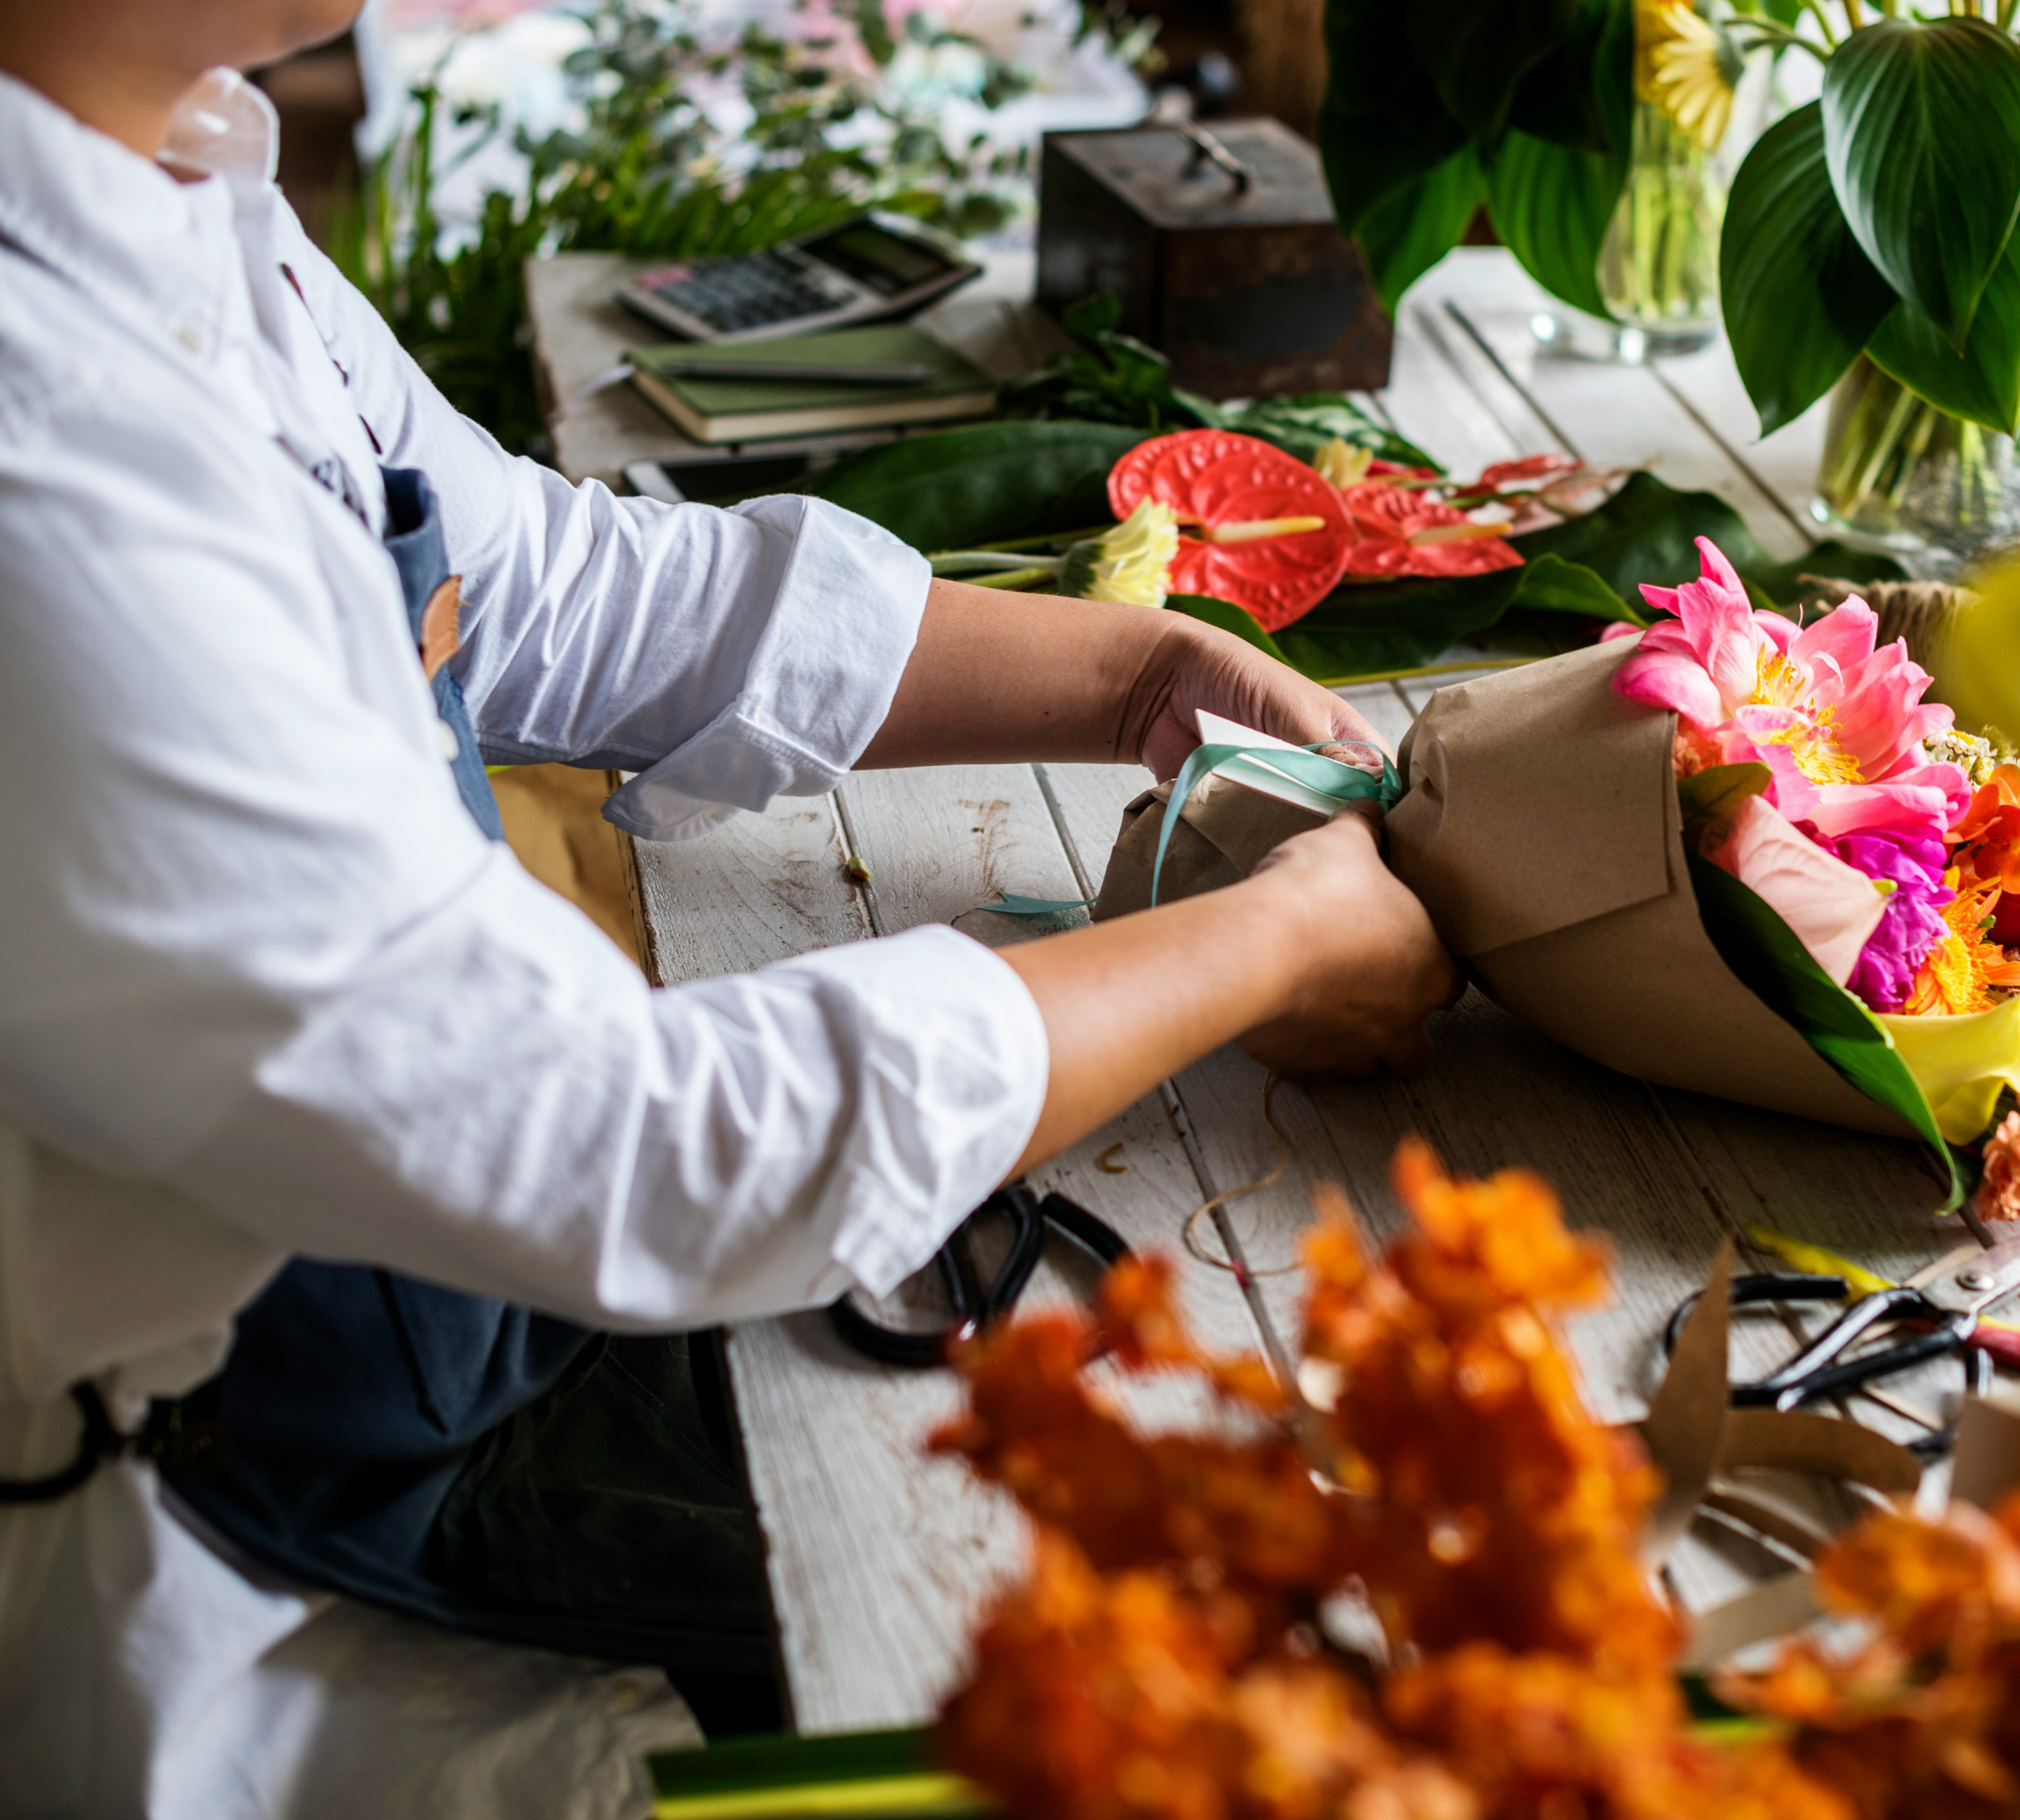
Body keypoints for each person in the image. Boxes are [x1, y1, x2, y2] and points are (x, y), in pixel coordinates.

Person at [0, 3, 1457, 1815]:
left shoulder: (168, 169)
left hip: (440, 1314)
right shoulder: (36, 457)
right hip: (268, 1561)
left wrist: (1126, 671)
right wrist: (1270, 943)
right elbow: (625, 1139)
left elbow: (522, 576)